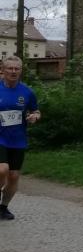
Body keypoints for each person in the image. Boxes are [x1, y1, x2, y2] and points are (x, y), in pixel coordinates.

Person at [0, 55, 41, 220]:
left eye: (17, 69)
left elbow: (35, 110)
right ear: (2, 70)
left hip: (17, 139)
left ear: (21, 71)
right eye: (10, 68)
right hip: (0, 137)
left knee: (14, 176)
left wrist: (35, 116)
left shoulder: (27, 92)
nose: (13, 71)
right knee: (2, 169)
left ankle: (3, 208)